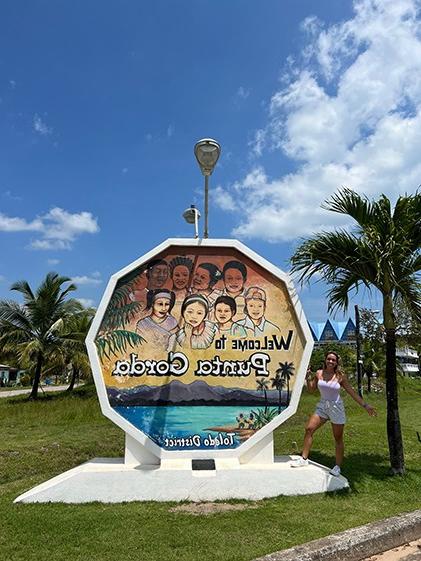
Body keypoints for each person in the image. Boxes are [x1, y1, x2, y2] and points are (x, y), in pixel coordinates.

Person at [291, 350, 377, 476]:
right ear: (325, 360)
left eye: (333, 360)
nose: (331, 361)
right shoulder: (319, 373)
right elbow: (311, 389)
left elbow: (352, 392)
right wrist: (308, 375)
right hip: (322, 405)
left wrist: (365, 405)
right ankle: (304, 459)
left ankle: (337, 467)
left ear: (336, 363)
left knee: (338, 438)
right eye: (329, 359)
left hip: (336, 408)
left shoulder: (340, 376)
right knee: (309, 429)